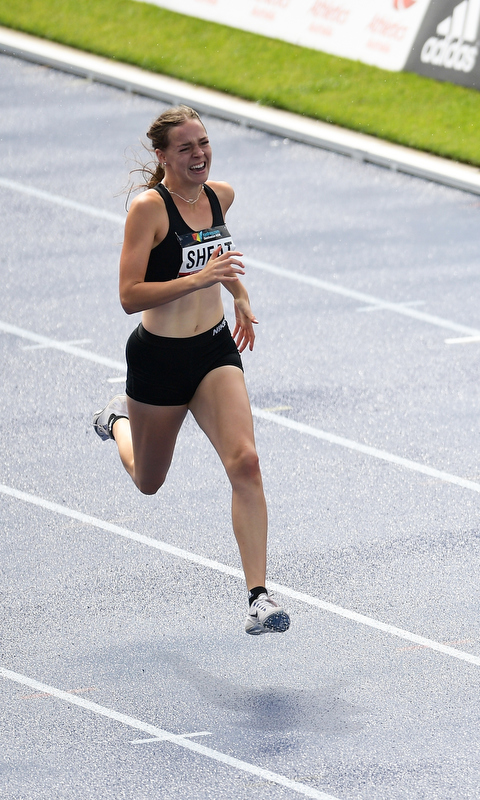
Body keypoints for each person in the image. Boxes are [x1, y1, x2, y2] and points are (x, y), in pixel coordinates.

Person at [91, 106, 291, 633]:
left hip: (213, 351)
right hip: (158, 359)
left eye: (203, 142)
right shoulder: (147, 210)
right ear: (162, 156)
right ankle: (118, 423)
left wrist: (240, 295)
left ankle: (259, 597)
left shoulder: (218, 196)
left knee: (245, 462)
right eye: (186, 148)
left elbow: (219, 256)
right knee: (149, 482)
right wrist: (201, 279)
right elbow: (129, 295)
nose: (199, 154)